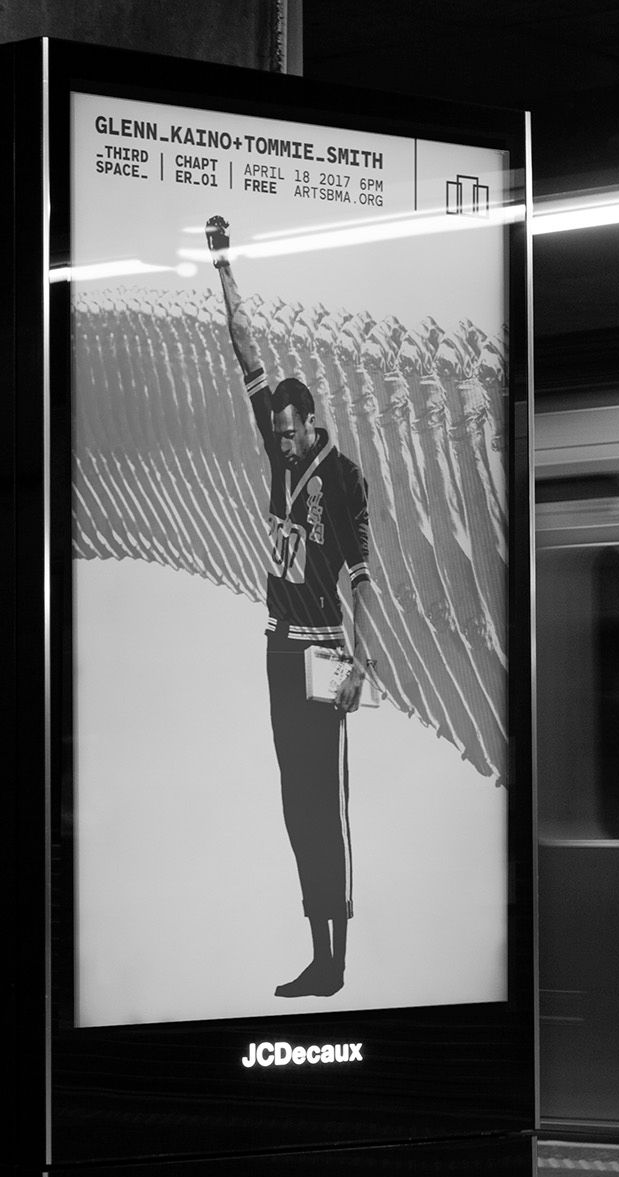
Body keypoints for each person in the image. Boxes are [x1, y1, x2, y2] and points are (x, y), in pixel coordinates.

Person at [210, 215, 377, 998]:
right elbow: (245, 346)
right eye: (271, 432)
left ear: (310, 422)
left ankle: (338, 959)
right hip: (279, 646)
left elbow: (364, 579)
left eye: (287, 431)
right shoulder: (277, 454)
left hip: (324, 653)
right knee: (293, 803)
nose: (278, 441)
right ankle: (320, 954)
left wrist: (361, 664)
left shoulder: (340, 476)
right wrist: (223, 267)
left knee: (324, 806)